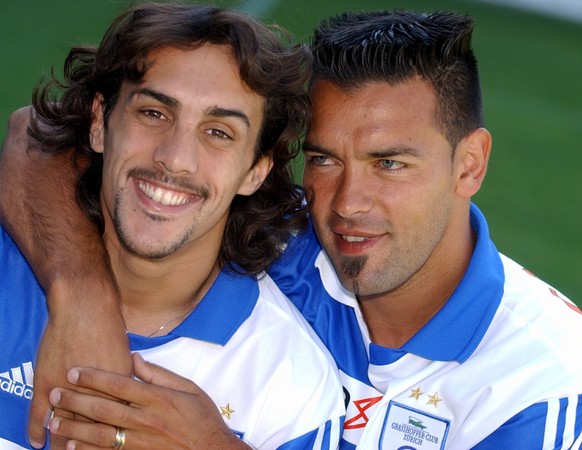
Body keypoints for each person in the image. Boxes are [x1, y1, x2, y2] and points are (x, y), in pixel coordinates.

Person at [2, 7, 582, 450]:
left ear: (470, 165)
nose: (349, 202)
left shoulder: (541, 385)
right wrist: (81, 296)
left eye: (390, 163)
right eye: (326, 159)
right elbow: (38, 137)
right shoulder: (290, 230)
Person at [0, 3, 346, 450]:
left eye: (219, 132)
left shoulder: (292, 386)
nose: (175, 158)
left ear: (255, 171)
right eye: (154, 113)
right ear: (100, 122)